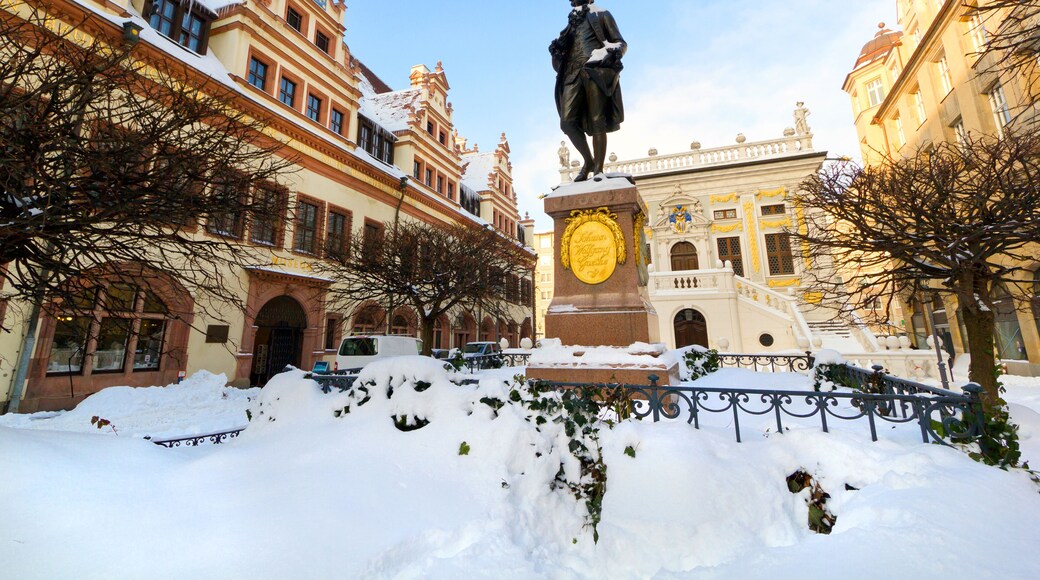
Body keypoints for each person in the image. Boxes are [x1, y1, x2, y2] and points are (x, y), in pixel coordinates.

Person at [550, 0, 626, 182]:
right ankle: (589, 161)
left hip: (594, 71)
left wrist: (607, 54)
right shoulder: (569, 26)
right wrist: (556, 52)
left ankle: (598, 169)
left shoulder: (601, 14)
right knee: (567, 122)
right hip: (571, 74)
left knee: (597, 119)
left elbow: (620, 44)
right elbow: (559, 63)